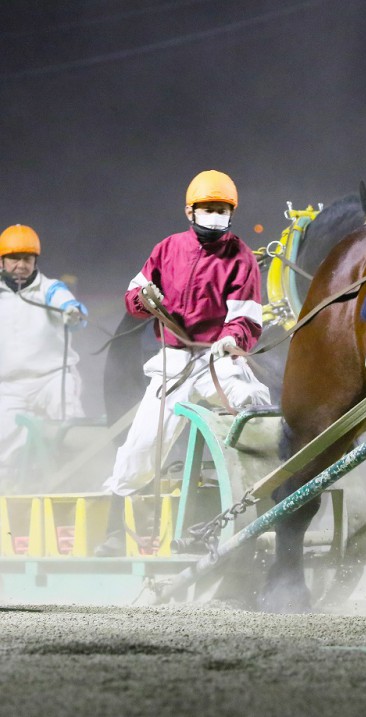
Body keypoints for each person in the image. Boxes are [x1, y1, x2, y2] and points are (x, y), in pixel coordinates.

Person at [97, 170, 270, 556]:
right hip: (171, 364)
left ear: (232, 213)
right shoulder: (167, 249)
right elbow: (133, 294)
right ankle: (114, 533)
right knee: (140, 448)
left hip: (216, 360)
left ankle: (269, 509)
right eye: (208, 208)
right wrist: (145, 300)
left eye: (222, 209)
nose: (215, 215)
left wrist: (232, 337)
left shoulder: (240, 257)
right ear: (190, 210)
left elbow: (248, 316)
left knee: (254, 405)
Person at [0, 224, 87, 487]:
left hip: (52, 380)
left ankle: (78, 487)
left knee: (69, 425)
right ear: (2, 261)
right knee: (4, 443)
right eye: (14, 259)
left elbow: (71, 307)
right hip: (9, 387)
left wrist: (73, 311)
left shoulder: (50, 288)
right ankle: (7, 506)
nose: (21, 265)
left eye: (27, 259)